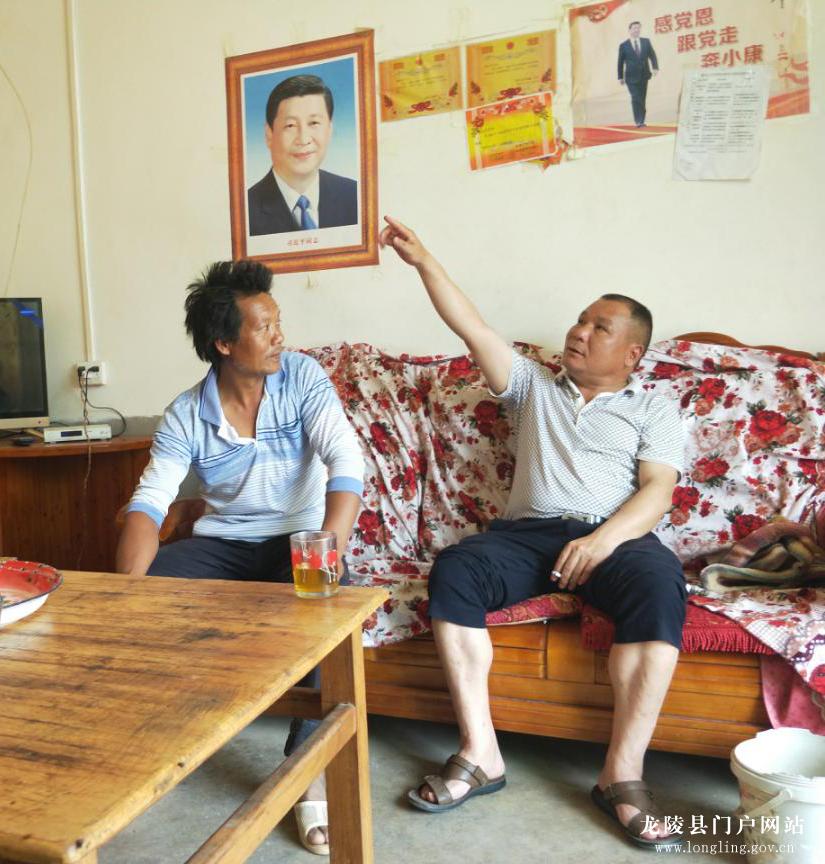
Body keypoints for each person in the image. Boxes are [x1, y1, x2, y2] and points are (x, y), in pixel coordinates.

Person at [379, 216, 686, 850]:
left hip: (616, 538)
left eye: (600, 327)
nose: (579, 331)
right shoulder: (532, 387)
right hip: (528, 535)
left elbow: (658, 490)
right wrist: (424, 259)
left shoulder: (654, 407)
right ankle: (481, 753)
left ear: (632, 354)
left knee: (661, 589)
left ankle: (621, 775)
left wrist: (602, 541)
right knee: (457, 570)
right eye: (580, 320)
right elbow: (472, 327)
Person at [116, 259, 363, 856]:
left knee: (326, 607)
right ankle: (152, 747)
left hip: (297, 539)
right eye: (264, 327)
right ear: (224, 344)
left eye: (278, 322)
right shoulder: (186, 413)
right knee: (146, 595)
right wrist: (125, 595)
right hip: (223, 544)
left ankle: (307, 773)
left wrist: (327, 548)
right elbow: (148, 503)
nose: (280, 336)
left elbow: (345, 460)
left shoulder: (301, 377)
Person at [247, 75, 358, 236]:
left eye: (314, 123)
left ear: (329, 130)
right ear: (269, 134)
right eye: (290, 125)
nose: (304, 139)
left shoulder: (354, 195)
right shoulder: (245, 210)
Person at [617, 21, 659, 128]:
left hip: (644, 75)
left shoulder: (646, 42)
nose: (637, 30)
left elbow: (652, 55)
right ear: (630, 30)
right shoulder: (624, 45)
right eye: (634, 28)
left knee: (642, 98)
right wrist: (620, 77)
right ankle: (638, 121)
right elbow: (620, 62)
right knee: (635, 97)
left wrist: (655, 67)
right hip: (630, 77)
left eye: (638, 28)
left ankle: (642, 120)